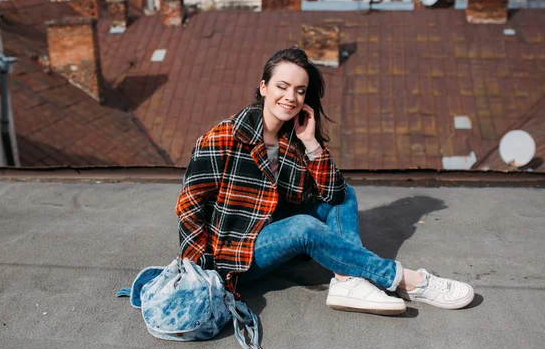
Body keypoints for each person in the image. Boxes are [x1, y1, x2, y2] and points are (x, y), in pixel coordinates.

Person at [175, 47, 474, 315]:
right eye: (282, 86)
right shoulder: (225, 136)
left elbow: (333, 193)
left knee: (344, 196)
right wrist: (203, 270)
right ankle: (408, 280)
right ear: (263, 88)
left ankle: (347, 280)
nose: (291, 97)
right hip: (235, 251)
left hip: (269, 227)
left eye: (300, 90)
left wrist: (311, 144)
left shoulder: (292, 136)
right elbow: (189, 206)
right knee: (304, 227)